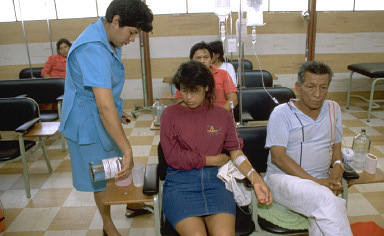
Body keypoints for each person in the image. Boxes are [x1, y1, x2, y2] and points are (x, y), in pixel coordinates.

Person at [58, 0, 153, 235]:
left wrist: (115, 110)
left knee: (116, 166)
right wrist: (128, 148)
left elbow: (101, 92)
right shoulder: (93, 48)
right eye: (131, 33)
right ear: (117, 20)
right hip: (86, 122)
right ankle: (107, 226)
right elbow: (102, 105)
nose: (131, 39)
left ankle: (131, 203)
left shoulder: (106, 36)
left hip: (98, 111)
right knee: (101, 174)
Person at [161, 60, 272, 236]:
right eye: (184, 90)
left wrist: (256, 180)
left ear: (206, 87)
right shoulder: (169, 114)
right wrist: (209, 159)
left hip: (216, 183)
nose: (188, 97)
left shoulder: (221, 115)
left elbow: (236, 152)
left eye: (194, 91)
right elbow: (173, 157)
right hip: (181, 183)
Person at [264, 61, 353, 236]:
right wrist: (317, 182)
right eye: (311, 87)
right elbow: (278, 157)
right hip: (283, 179)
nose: (317, 94)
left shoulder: (334, 109)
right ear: (298, 87)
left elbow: (336, 144)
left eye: (323, 87)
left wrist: (337, 165)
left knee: (324, 220)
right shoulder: (281, 113)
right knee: (326, 200)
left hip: (320, 181)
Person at [174, 41, 238, 113]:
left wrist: (218, 114)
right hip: (195, 117)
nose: (202, 61)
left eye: (206, 57)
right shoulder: (185, 77)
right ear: (191, 60)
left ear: (211, 59)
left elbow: (233, 100)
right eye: (198, 58)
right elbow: (180, 101)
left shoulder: (223, 74)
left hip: (220, 116)